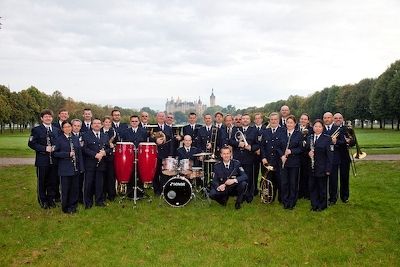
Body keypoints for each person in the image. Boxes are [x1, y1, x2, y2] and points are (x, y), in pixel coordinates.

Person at [28, 109, 61, 209]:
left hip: (54, 160)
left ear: (52, 118)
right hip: (42, 161)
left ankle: (51, 200)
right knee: (42, 182)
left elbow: (59, 143)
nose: (48, 118)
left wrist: (55, 147)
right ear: (42, 118)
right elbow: (31, 143)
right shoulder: (36, 130)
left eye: (50, 116)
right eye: (46, 116)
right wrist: (44, 148)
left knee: (52, 181)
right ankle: (43, 201)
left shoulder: (56, 130)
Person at [53, 121, 84, 214]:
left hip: (75, 168)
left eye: (69, 126)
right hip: (65, 169)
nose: (67, 128)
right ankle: (65, 208)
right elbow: (55, 153)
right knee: (65, 189)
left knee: (75, 189)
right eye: (65, 127)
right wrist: (67, 154)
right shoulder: (59, 139)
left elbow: (79, 154)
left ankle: (73, 206)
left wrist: (81, 167)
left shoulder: (75, 138)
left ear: (71, 127)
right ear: (62, 129)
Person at [229, 113, 259, 203]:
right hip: (238, 158)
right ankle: (240, 196)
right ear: (241, 120)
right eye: (243, 118)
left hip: (249, 158)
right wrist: (239, 144)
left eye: (247, 119)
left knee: (249, 178)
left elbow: (257, 144)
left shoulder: (254, 130)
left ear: (250, 120)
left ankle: (249, 196)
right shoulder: (236, 130)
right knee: (238, 178)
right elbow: (230, 141)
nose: (245, 120)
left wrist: (251, 148)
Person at [82, 118, 111, 208]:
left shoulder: (105, 136)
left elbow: (109, 148)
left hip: (101, 164)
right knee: (88, 184)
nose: (97, 125)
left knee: (99, 184)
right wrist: (95, 155)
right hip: (90, 163)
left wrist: (105, 152)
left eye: (99, 123)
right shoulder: (85, 135)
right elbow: (84, 149)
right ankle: (88, 203)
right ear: (91, 125)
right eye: (95, 123)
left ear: (101, 125)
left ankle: (99, 201)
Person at [307, 119, 333, 211]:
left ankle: (322, 205)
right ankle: (314, 205)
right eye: (315, 126)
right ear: (313, 127)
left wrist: (328, 169)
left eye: (319, 126)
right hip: (311, 167)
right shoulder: (309, 138)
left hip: (322, 167)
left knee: (322, 188)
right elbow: (306, 150)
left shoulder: (327, 138)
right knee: (312, 187)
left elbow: (330, 156)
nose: (317, 128)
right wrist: (308, 153)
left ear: (322, 128)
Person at [278, 115, 303, 209]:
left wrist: (291, 151)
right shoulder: (281, 133)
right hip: (284, 161)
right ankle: (285, 201)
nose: (289, 124)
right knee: (284, 182)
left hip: (294, 162)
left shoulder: (298, 134)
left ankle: (292, 201)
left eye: (291, 123)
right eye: (288, 122)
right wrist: (281, 156)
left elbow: (301, 148)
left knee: (293, 182)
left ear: (295, 124)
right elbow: (278, 147)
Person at [260, 112, 284, 202]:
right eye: (272, 119)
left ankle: (281, 199)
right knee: (267, 180)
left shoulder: (283, 131)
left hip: (279, 161)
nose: (273, 121)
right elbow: (262, 146)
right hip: (268, 160)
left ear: (279, 120)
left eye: (275, 119)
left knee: (279, 180)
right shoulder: (265, 132)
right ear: (269, 121)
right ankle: (268, 198)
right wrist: (263, 157)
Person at [333, 113, 355, 203]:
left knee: (344, 178)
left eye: (340, 118)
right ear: (333, 119)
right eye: (336, 118)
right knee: (333, 179)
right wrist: (341, 142)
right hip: (334, 157)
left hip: (344, 157)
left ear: (342, 119)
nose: (338, 119)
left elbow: (353, 142)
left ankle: (344, 196)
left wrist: (350, 141)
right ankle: (333, 197)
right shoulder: (332, 129)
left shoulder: (348, 129)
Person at [151, 112, 174, 195]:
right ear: (156, 117)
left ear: (165, 118)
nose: (161, 117)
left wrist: (170, 155)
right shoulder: (152, 127)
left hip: (166, 154)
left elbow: (172, 142)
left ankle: (164, 189)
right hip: (155, 155)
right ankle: (156, 191)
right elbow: (148, 140)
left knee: (165, 173)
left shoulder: (169, 128)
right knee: (155, 173)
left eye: (162, 116)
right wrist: (155, 141)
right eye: (159, 116)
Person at [323, 112, 343, 205]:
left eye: (329, 117)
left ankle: (333, 198)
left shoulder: (338, 129)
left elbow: (343, 142)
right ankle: (322, 196)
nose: (327, 119)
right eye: (325, 118)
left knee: (333, 180)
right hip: (323, 158)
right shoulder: (320, 128)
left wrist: (336, 142)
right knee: (322, 179)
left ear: (332, 118)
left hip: (334, 158)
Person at [297, 113, 313, 199]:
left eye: (305, 119)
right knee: (298, 175)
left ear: (308, 121)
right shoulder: (296, 129)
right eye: (301, 119)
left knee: (306, 174)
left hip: (306, 156)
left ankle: (307, 193)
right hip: (297, 155)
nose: (303, 120)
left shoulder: (311, 129)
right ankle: (299, 193)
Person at [101, 116, 117, 201]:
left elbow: (117, 143)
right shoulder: (99, 131)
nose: (107, 124)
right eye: (106, 122)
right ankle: (102, 194)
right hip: (101, 156)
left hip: (110, 156)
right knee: (102, 176)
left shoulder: (113, 132)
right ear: (103, 123)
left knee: (111, 176)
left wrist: (113, 145)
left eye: (109, 122)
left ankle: (111, 195)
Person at [71, 119, 85, 203]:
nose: (76, 127)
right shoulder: (69, 136)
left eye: (78, 126)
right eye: (75, 126)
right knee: (73, 182)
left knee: (81, 181)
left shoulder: (84, 135)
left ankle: (80, 198)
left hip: (83, 162)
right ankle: (73, 198)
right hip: (72, 162)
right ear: (72, 126)